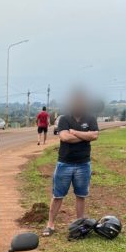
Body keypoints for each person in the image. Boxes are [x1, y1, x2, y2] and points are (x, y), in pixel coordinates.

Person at [42, 93, 99, 237]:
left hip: (83, 164)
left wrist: (74, 132)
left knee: (81, 195)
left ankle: (80, 224)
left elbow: (94, 136)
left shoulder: (90, 118)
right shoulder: (64, 119)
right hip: (64, 164)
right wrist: (84, 135)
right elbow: (64, 137)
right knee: (57, 195)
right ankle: (50, 225)